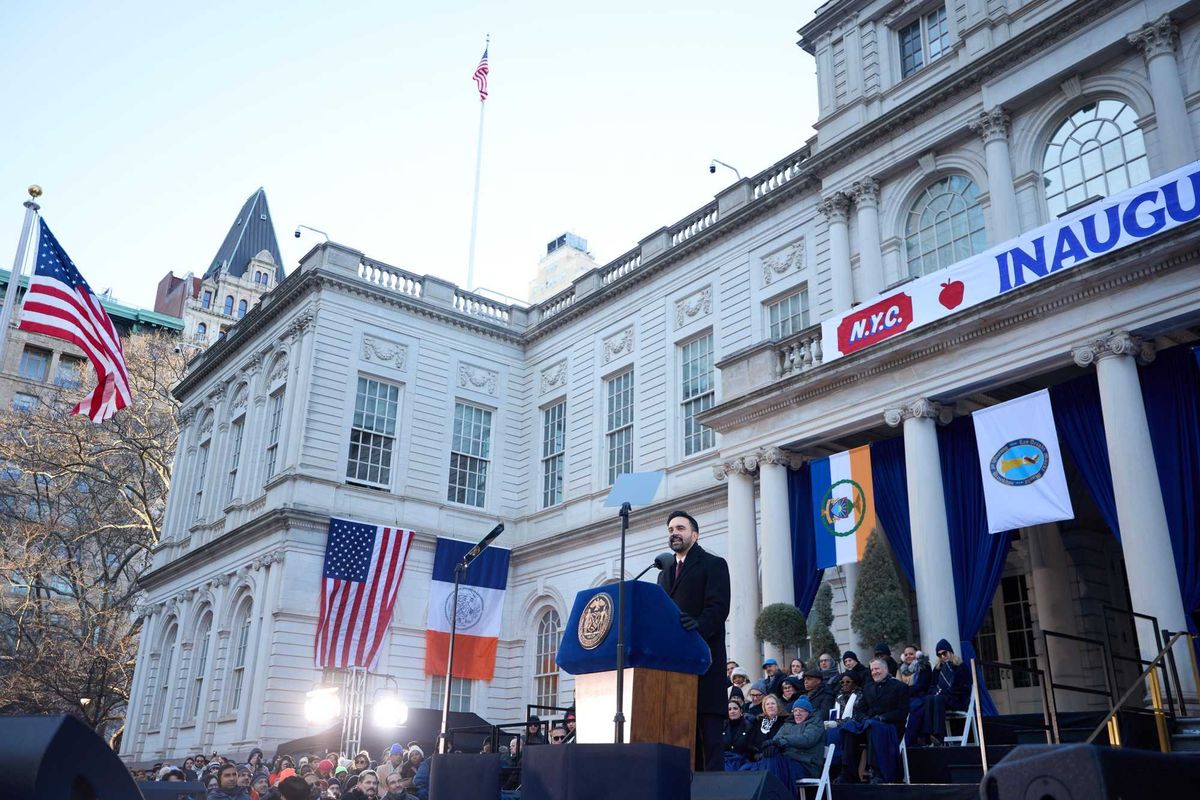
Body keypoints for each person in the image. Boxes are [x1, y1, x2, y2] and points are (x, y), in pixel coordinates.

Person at [656, 509, 731, 771]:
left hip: (704, 664)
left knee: (709, 746)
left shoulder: (713, 564)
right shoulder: (663, 573)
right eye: (670, 530)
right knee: (682, 748)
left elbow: (719, 608)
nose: (674, 533)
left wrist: (697, 627)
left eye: (680, 528)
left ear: (695, 535)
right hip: (675, 672)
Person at [921, 639, 972, 745]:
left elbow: (964, 688)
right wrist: (937, 691)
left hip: (956, 699)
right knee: (929, 698)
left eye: (944, 653)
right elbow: (932, 685)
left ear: (950, 652)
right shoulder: (937, 668)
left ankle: (939, 735)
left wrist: (945, 692)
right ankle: (927, 735)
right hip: (942, 697)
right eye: (939, 655)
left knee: (939, 699)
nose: (943, 656)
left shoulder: (960, 667)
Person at [772, 697, 827, 782]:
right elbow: (776, 739)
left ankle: (781, 791)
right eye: (795, 710)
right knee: (769, 763)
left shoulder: (815, 723)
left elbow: (807, 739)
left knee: (778, 769)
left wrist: (785, 741)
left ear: (809, 712)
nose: (798, 713)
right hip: (789, 760)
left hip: (807, 765)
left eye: (801, 711)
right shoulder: (788, 724)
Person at [898, 645, 933, 746]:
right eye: (906, 654)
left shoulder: (924, 666)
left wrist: (904, 691)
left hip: (921, 697)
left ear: (917, 655)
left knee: (913, 709)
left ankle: (909, 742)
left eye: (911, 654)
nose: (908, 656)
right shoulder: (901, 669)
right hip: (906, 698)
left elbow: (922, 685)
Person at [741, 694, 787, 767]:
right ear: (764, 708)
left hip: (777, 759)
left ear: (778, 706)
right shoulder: (758, 722)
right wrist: (756, 755)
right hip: (758, 760)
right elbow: (751, 743)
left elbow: (786, 741)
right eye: (767, 704)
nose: (770, 706)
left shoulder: (785, 722)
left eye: (773, 703)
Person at [722, 699, 755, 770]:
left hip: (743, 762)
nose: (732, 711)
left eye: (735, 708)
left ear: (741, 711)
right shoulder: (722, 727)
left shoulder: (749, 727)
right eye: (729, 709)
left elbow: (751, 749)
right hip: (725, 761)